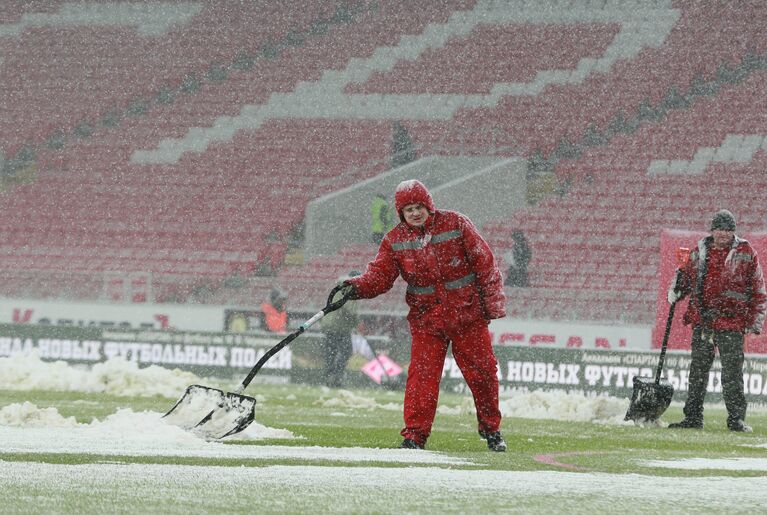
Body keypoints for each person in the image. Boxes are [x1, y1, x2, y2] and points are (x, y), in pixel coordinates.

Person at [339, 179, 508, 451]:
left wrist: (492, 306)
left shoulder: (457, 224)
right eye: (408, 210)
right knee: (422, 379)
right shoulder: (394, 240)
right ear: (401, 214)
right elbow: (380, 276)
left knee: (483, 375)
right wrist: (356, 287)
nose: (415, 213)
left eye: (419, 207)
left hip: (468, 316)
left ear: (429, 205)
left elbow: (485, 264)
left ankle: (491, 430)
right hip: (427, 320)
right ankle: (415, 437)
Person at [667, 209, 767, 432]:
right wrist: (676, 289)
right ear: (712, 231)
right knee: (697, 373)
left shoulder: (746, 252)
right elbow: (685, 280)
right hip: (704, 321)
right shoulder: (699, 251)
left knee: (732, 375)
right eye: (720, 229)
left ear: (734, 232)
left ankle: (736, 419)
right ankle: (692, 417)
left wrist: (754, 322)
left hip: (732, 324)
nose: (723, 234)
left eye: (728, 229)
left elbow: (758, 290)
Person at [321, 271, 361, 388]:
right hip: (340, 326)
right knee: (346, 351)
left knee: (330, 352)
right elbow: (349, 310)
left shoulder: (340, 285)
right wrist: (356, 323)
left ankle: (329, 377)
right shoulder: (350, 288)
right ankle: (337, 377)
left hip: (329, 323)